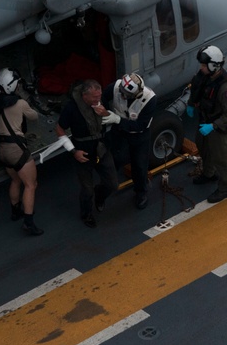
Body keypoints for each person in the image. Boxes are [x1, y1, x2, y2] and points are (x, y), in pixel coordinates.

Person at [54, 79, 120, 228]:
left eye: (100, 96)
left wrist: (105, 113)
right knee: (87, 190)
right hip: (82, 152)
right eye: (95, 97)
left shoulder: (100, 101)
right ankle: (86, 214)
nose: (98, 99)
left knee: (113, 184)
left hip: (101, 148)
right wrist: (73, 151)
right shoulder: (71, 108)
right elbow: (59, 128)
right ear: (85, 96)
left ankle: (100, 195)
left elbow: (108, 118)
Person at [0, 68, 43, 236]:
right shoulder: (20, 104)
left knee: (15, 180)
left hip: (2, 150)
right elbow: (34, 116)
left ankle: (15, 212)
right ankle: (28, 222)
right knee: (30, 185)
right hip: (17, 150)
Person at [187, 45, 227, 203]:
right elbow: (196, 88)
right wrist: (191, 103)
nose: (201, 68)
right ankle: (209, 173)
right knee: (203, 147)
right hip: (204, 121)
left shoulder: (226, 88)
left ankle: (226, 187)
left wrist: (213, 126)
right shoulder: (205, 76)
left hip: (217, 127)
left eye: (203, 65)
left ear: (215, 66)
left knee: (221, 157)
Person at [101, 72, 156, 210]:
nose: (123, 96)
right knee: (114, 160)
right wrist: (106, 112)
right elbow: (103, 97)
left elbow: (141, 126)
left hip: (139, 136)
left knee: (139, 165)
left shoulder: (149, 99)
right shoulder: (115, 87)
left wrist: (117, 119)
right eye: (122, 93)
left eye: (127, 95)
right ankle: (105, 189)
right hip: (119, 133)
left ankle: (141, 193)